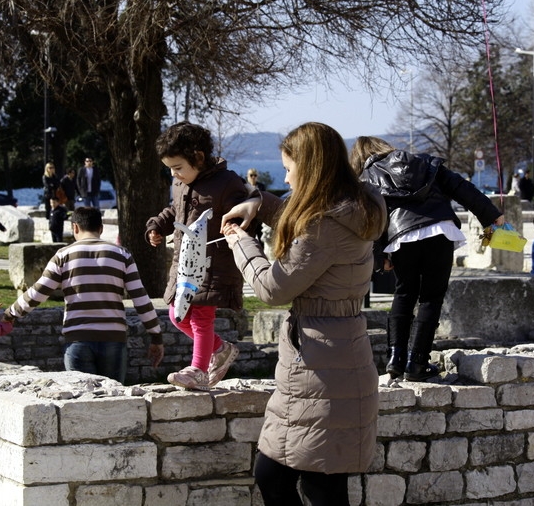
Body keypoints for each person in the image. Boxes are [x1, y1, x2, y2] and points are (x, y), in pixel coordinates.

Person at [220, 122, 386, 506]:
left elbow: (272, 288)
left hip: (324, 369)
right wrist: (261, 204)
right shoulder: (351, 207)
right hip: (325, 361)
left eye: (289, 169)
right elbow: (309, 221)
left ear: (310, 169)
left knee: (315, 486)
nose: (286, 179)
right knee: (289, 479)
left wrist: (240, 243)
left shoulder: (325, 227)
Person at [350, 136, 504, 382]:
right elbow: (460, 187)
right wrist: (490, 215)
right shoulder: (422, 162)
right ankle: (417, 361)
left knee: (404, 293)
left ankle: (395, 358)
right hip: (440, 230)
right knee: (431, 297)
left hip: (402, 236)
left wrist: (380, 256)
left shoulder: (366, 177)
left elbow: (371, 219)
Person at [4, 207, 164, 381]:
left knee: (81, 394)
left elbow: (39, 292)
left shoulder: (63, 256)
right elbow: (140, 299)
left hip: (77, 338)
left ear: (75, 227)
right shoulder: (122, 255)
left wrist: (11, 313)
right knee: (113, 394)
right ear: (101, 228)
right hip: (113, 338)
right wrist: (156, 336)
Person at [145, 121, 249, 390]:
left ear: (199, 158)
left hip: (212, 263)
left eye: (178, 167)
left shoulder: (227, 182)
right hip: (184, 264)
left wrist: (235, 226)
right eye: (170, 169)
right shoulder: (180, 184)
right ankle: (220, 349)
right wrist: (157, 226)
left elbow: (243, 212)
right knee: (176, 315)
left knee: (201, 316)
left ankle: (198, 370)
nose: (174, 174)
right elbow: (175, 211)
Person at [246, 168, 266, 245]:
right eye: (251, 175)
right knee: (250, 237)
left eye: (255, 175)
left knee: (261, 236)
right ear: (248, 176)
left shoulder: (261, 186)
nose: (253, 177)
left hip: (259, 214)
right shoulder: (245, 186)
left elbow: (264, 198)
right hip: (249, 215)